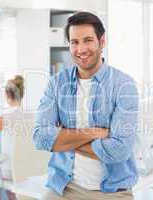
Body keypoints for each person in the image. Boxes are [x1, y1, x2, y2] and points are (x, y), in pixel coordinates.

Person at [33, 11, 139, 199]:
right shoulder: (56, 83)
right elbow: (40, 137)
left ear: (102, 41)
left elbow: (119, 150)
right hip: (64, 185)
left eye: (88, 40)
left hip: (112, 190)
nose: (81, 49)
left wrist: (63, 138)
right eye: (74, 42)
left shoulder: (124, 85)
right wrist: (94, 133)